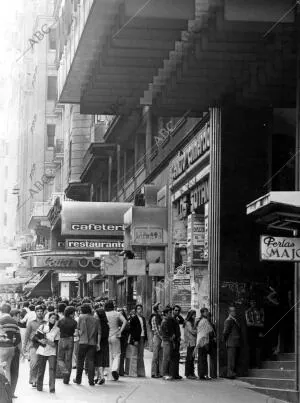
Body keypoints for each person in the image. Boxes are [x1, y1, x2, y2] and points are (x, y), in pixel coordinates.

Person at [73, 303, 101, 386]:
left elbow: (78, 329)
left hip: (83, 341)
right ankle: (91, 381)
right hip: (92, 342)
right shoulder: (96, 319)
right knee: (91, 361)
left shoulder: (81, 317)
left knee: (80, 361)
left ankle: (78, 379)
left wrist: (79, 335)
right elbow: (99, 332)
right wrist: (98, 343)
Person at [0, 303, 22, 396]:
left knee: (1, 369)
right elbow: (18, 338)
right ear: (9, 311)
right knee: (9, 370)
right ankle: (9, 392)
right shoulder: (14, 322)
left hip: (2, 348)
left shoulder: (0, 320)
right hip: (12, 348)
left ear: (1, 311)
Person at [35, 312, 60, 393]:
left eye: (55, 318)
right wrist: (40, 340)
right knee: (41, 369)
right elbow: (35, 337)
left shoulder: (57, 330)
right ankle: (39, 387)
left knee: (52, 370)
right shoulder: (42, 326)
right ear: (49, 318)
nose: (54, 319)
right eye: (52, 318)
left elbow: (55, 344)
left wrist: (47, 341)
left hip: (52, 352)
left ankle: (52, 388)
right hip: (42, 351)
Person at [23, 305, 46, 387]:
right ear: (35, 312)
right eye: (38, 311)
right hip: (33, 345)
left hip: (43, 346)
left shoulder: (46, 323)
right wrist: (24, 347)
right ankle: (33, 379)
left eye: (41, 311)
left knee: (41, 364)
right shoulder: (31, 323)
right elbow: (26, 335)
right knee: (34, 363)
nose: (40, 312)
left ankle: (37, 380)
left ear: (43, 312)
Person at [105, 300, 127, 381]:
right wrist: (120, 331)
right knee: (117, 354)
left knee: (110, 355)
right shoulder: (117, 313)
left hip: (107, 336)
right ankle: (114, 369)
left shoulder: (104, 314)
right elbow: (125, 321)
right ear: (112, 306)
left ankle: (110, 376)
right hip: (115, 335)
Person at [57, 306, 77, 384]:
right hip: (70, 340)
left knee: (60, 358)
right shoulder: (74, 322)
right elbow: (76, 333)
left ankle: (64, 373)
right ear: (71, 314)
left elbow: (58, 331)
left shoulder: (61, 321)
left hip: (62, 340)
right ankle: (66, 379)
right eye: (73, 313)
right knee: (68, 360)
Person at [127, 304, 147, 377]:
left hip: (142, 337)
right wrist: (135, 340)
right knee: (134, 355)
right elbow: (132, 330)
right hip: (136, 339)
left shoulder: (143, 318)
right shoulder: (133, 318)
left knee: (141, 356)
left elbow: (144, 328)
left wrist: (146, 338)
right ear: (136, 310)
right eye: (138, 308)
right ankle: (133, 373)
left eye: (141, 308)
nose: (140, 310)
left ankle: (140, 372)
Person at [223, 305, 241, 379]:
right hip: (231, 342)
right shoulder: (228, 320)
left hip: (235, 342)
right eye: (233, 311)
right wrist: (226, 340)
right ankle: (230, 374)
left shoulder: (233, 319)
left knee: (233, 359)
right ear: (229, 312)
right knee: (231, 359)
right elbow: (225, 332)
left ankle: (232, 373)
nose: (235, 312)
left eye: (235, 310)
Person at [245, 300, 264, 368]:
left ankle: (258, 364)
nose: (253, 303)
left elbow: (262, 324)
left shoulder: (260, 311)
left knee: (258, 348)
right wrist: (257, 324)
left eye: (254, 302)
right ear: (249, 303)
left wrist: (255, 325)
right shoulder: (247, 311)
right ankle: (252, 365)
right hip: (251, 332)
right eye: (251, 302)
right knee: (251, 348)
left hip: (258, 331)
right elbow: (248, 324)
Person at [195, 307, 213, 380]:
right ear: (202, 313)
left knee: (201, 359)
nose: (207, 313)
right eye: (206, 312)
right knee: (203, 359)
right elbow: (210, 330)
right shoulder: (205, 321)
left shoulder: (200, 320)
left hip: (200, 341)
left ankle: (201, 374)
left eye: (207, 311)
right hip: (203, 341)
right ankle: (203, 374)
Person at [94, 308, 109, 385]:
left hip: (98, 343)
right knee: (102, 361)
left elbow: (98, 334)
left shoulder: (98, 324)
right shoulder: (106, 324)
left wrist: (97, 343)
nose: (94, 314)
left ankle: (101, 377)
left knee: (98, 361)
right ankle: (98, 377)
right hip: (105, 344)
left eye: (96, 313)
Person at [9, 309, 22, 398]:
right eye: (18, 316)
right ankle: (11, 392)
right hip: (14, 352)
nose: (19, 318)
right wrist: (22, 352)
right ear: (14, 316)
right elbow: (18, 342)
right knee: (14, 373)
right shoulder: (16, 327)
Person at [161, 307, 175, 380]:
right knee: (166, 358)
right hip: (166, 341)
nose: (171, 314)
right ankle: (164, 374)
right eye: (170, 313)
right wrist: (171, 337)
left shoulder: (168, 321)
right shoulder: (164, 321)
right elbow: (165, 332)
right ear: (166, 314)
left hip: (168, 341)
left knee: (167, 358)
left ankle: (166, 373)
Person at [150, 302, 163, 378]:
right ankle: (153, 372)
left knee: (161, 356)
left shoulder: (161, 317)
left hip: (161, 337)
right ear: (157, 309)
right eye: (160, 306)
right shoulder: (154, 317)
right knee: (155, 356)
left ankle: (161, 372)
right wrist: (161, 337)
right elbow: (156, 329)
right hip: (157, 337)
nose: (162, 307)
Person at [170, 305, 183, 380]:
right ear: (172, 311)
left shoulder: (177, 318)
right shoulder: (171, 319)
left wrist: (178, 315)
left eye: (178, 310)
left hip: (177, 340)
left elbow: (182, 321)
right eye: (175, 310)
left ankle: (176, 374)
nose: (177, 312)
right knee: (173, 357)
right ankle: (172, 374)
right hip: (173, 340)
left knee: (177, 357)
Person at [183, 309, 197, 379]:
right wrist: (198, 330)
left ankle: (191, 373)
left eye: (195, 314)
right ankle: (188, 373)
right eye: (194, 315)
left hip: (193, 342)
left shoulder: (192, 322)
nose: (195, 316)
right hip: (190, 343)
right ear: (191, 315)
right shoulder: (188, 323)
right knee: (190, 358)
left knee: (192, 358)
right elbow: (192, 331)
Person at [119, 308, 129, 376]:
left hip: (123, 340)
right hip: (120, 339)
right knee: (120, 355)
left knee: (121, 355)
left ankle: (121, 371)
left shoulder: (125, 322)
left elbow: (128, 330)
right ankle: (120, 371)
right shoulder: (117, 321)